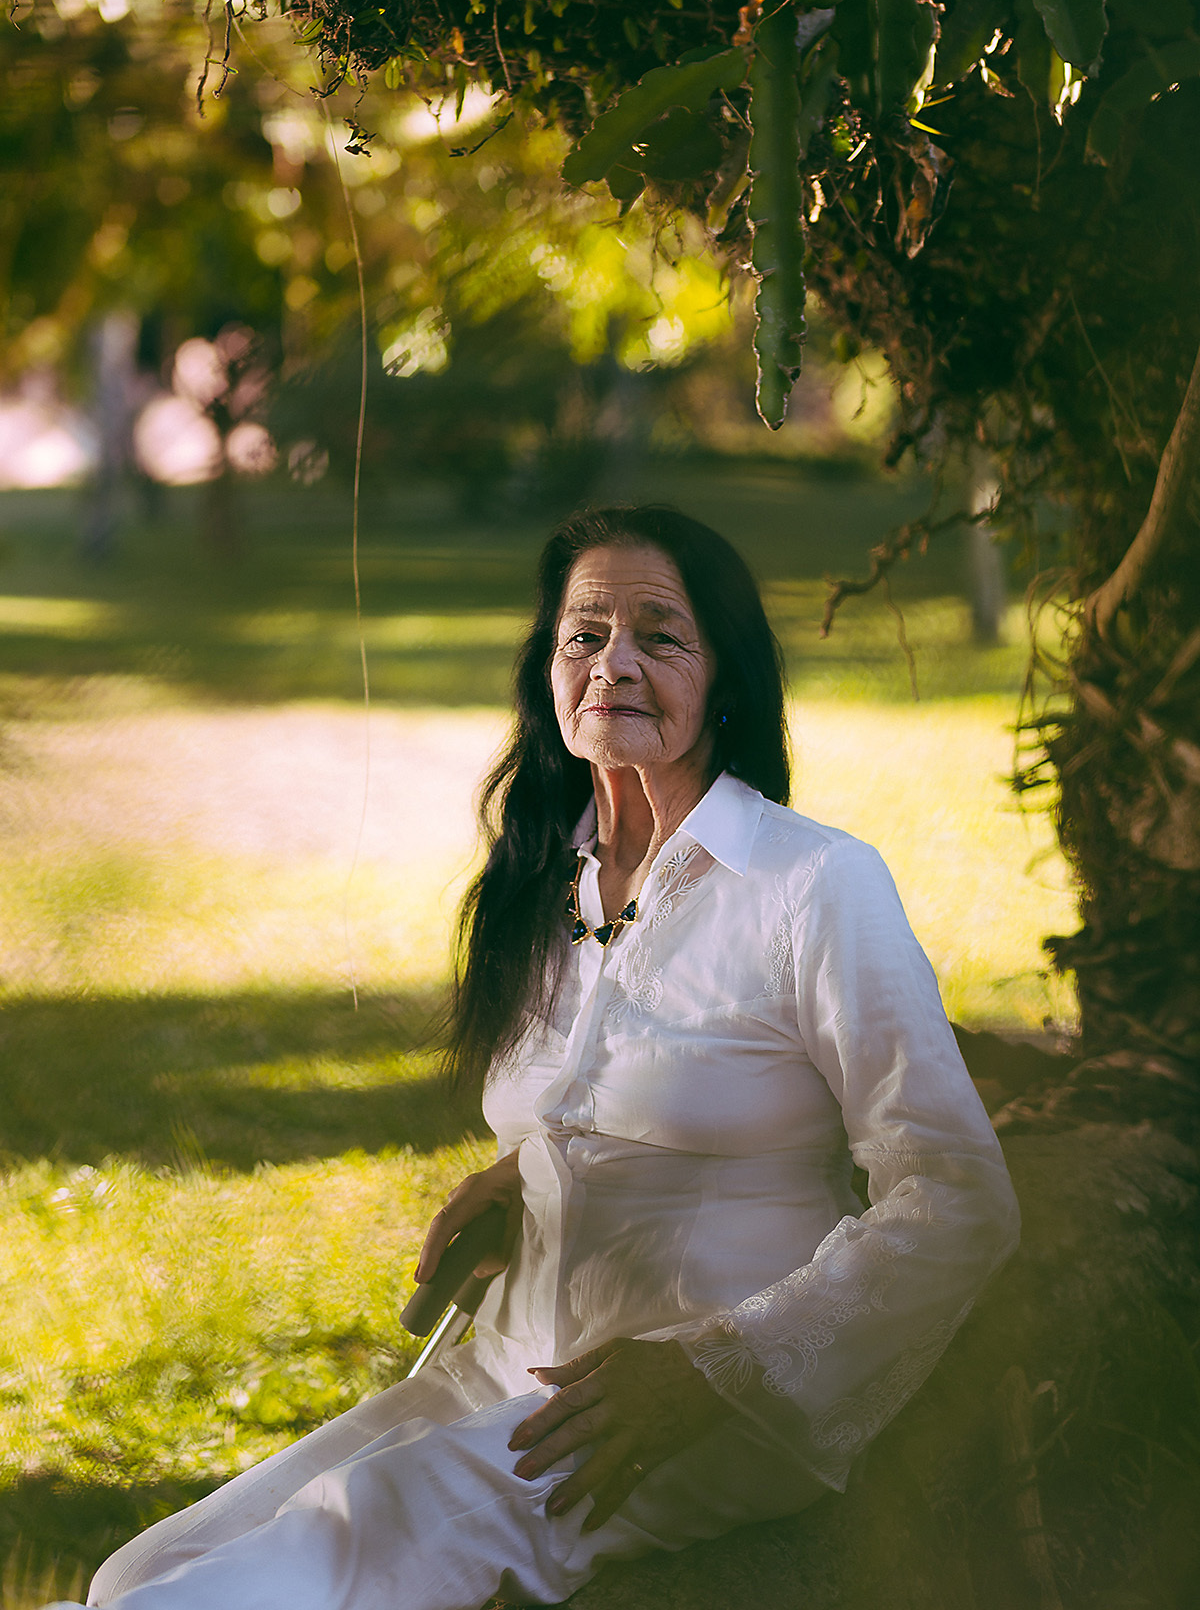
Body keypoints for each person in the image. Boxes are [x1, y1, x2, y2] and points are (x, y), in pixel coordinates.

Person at [58, 505, 1019, 1610]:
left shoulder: (814, 886)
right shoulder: (546, 880)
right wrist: (531, 1170)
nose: (614, 663)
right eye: (584, 634)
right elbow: (631, 1089)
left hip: (692, 1409)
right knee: (141, 1572)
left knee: (271, 1577)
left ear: (728, 681)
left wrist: (717, 1369)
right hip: (505, 1363)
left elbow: (957, 1197)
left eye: (660, 636)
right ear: (550, 670)